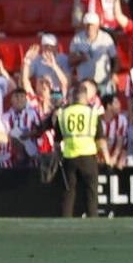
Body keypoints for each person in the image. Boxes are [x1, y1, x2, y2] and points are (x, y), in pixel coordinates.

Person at [53, 80, 104, 218]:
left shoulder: (63, 114)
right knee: (91, 193)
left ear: (73, 96)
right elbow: (100, 139)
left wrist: (58, 156)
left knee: (68, 193)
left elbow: (57, 141)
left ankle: (66, 223)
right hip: (88, 156)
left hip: (69, 157)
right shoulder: (92, 113)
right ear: (85, 97)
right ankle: (93, 220)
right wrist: (102, 155)